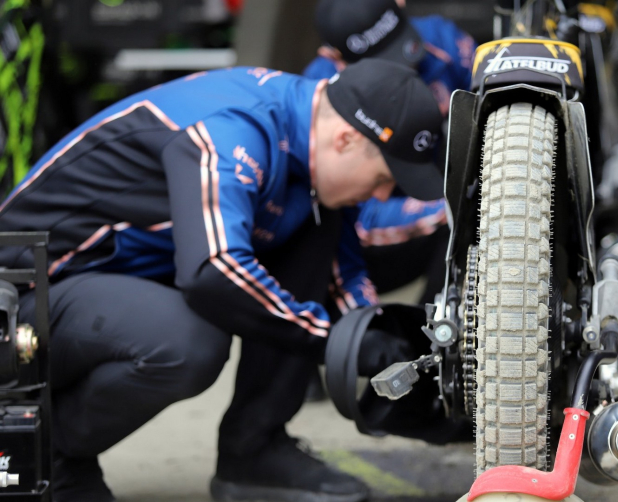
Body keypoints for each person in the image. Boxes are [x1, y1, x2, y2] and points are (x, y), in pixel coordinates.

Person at [0, 59, 443, 502]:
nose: (384, 194)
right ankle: (47, 452)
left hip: (106, 283)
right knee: (187, 342)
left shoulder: (302, 127)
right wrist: (329, 339)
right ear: (345, 139)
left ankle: (253, 449)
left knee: (313, 221)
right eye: (385, 178)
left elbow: (339, 268)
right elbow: (212, 272)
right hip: (26, 298)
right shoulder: (232, 131)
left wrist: (380, 339)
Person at [305, 0, 477, 306]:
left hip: (437, 186)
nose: (403, 69)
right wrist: (448, 207)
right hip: (372, 234)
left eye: (400, 47)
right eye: (381, 61)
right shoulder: (319, 98)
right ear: (334, 58)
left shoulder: (441, 38)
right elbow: (358, 218)